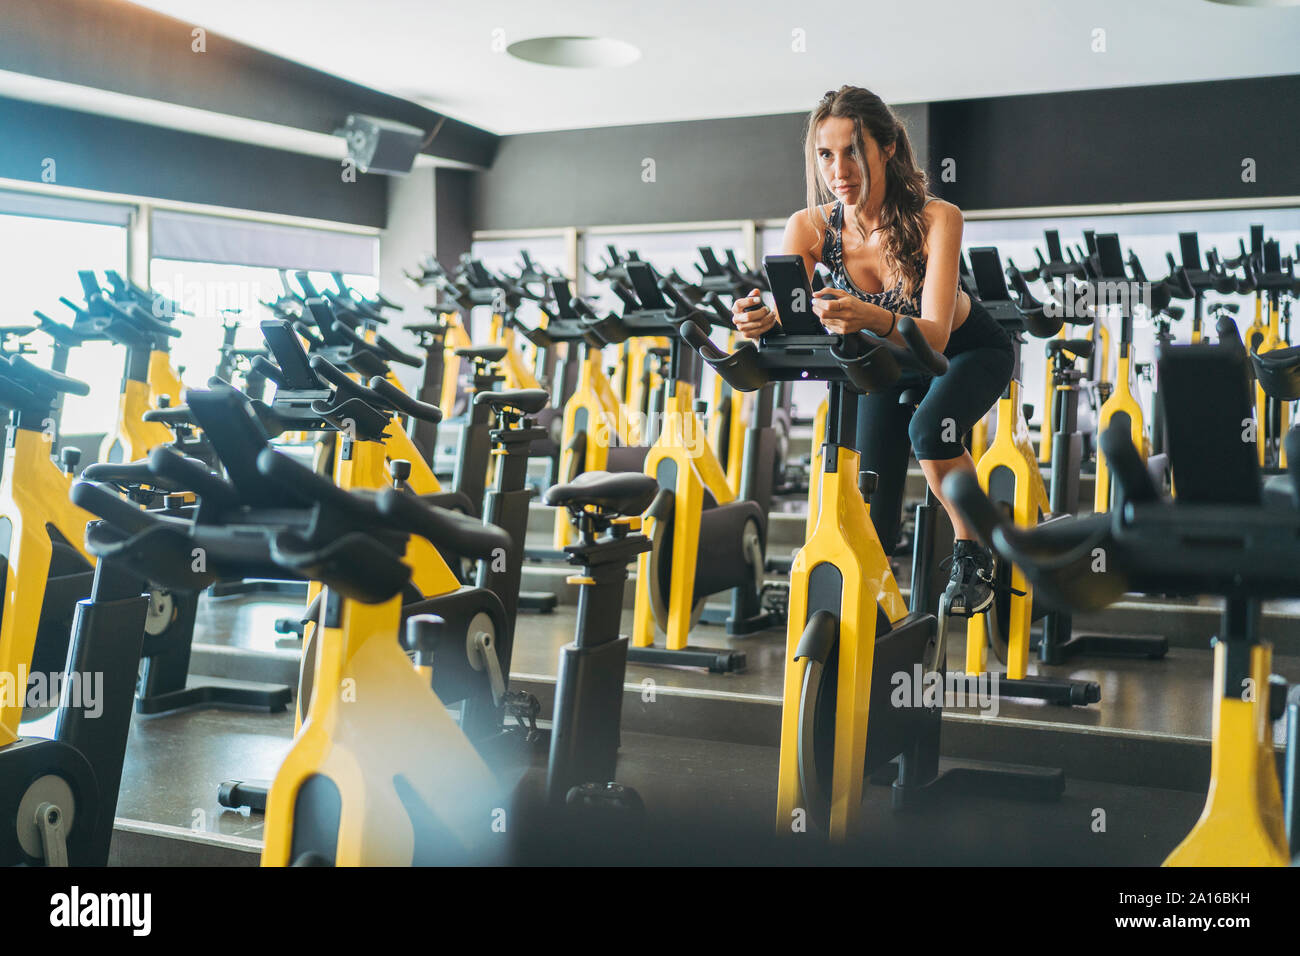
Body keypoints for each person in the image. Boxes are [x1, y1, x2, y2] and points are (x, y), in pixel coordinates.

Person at [733, 85, 1015, 615]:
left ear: (887, 147)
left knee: (930, 431)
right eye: (826, 154)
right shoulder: (809, 227)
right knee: (871, 506)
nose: (839, 169)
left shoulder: (938, 218)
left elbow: (932, 335)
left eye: (853, 151)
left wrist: (868, 316)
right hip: (886, 364)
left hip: (964, 352)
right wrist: (760, 322)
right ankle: (875, 627)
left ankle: (973, 549)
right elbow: (788, 316)